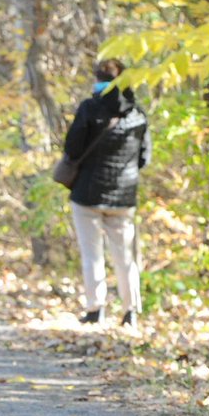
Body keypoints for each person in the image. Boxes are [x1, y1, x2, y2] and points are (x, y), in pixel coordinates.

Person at [64, 58, 151, 329]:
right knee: (125, 256)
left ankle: (95, 310)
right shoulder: (137, 113)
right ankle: (130, 312)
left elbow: (72, 149)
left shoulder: (89, 109)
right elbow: (144, 158)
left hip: (87, 195)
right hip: (123, 198)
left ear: (97, 78)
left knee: (92, 254)